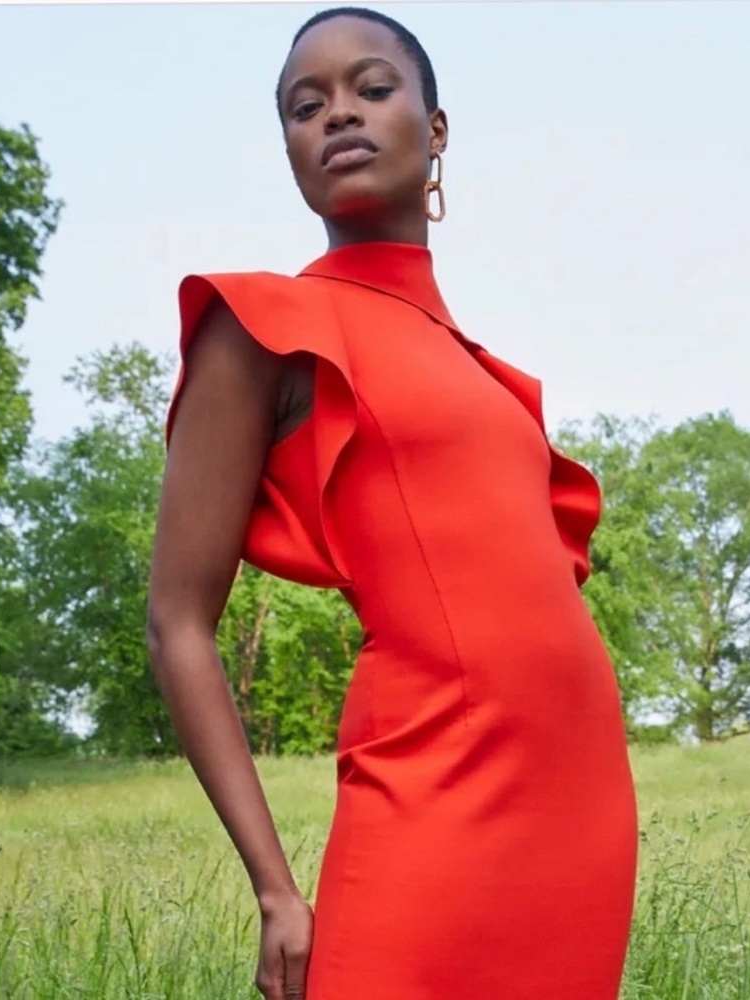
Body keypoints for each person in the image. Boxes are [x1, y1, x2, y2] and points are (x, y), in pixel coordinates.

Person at [146, 7, 638, 999]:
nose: (336, 115)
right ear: (286, 146)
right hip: (423, 789)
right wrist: (275, 888)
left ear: (436, 129)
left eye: (371, 88)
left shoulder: (494, 382)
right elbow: (176, 622)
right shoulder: (263, 328)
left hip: (579, 806)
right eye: (303, 105)